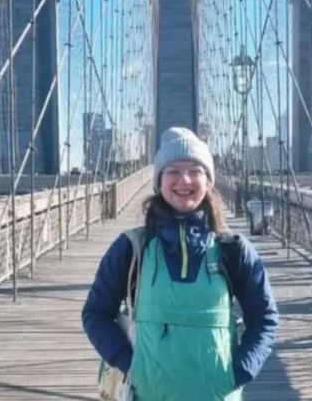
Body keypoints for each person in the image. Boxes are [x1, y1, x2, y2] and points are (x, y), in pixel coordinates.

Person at [82, 127, 279, 400]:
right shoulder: (132, 248)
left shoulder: (233, 250)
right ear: (159, 180)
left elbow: (265, 319)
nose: (184, 179)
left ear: (208, 180)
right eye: (173, 170)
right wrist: (131, 365)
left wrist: (241, 370)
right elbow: (95, 313)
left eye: (195, 170)